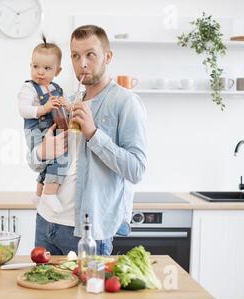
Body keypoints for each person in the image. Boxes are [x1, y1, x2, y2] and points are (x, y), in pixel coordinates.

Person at [26, 25, 148, 255]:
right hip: (45, 222)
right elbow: (33, 162)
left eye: (90, 54)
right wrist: (42, 152)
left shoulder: (126, 102)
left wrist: (93, 134)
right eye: (75, 55)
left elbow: (136, 169)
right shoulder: (66, 102)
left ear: (107, 57)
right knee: (42, 290)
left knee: (86, 291)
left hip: (86, 232)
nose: (82, 63)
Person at [18, 35, 72, 213]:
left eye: (47, 68)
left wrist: (66, 105)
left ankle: (39, 194)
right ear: (30, 65)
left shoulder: (56, 88)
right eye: (36, 66)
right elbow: (23, 110)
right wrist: (43, 108)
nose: (40, 72)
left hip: (50, 129)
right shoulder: (28, 88)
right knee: (60, 158)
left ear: (58, 70)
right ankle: (50, 193)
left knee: (52, 160)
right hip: (35, 130)